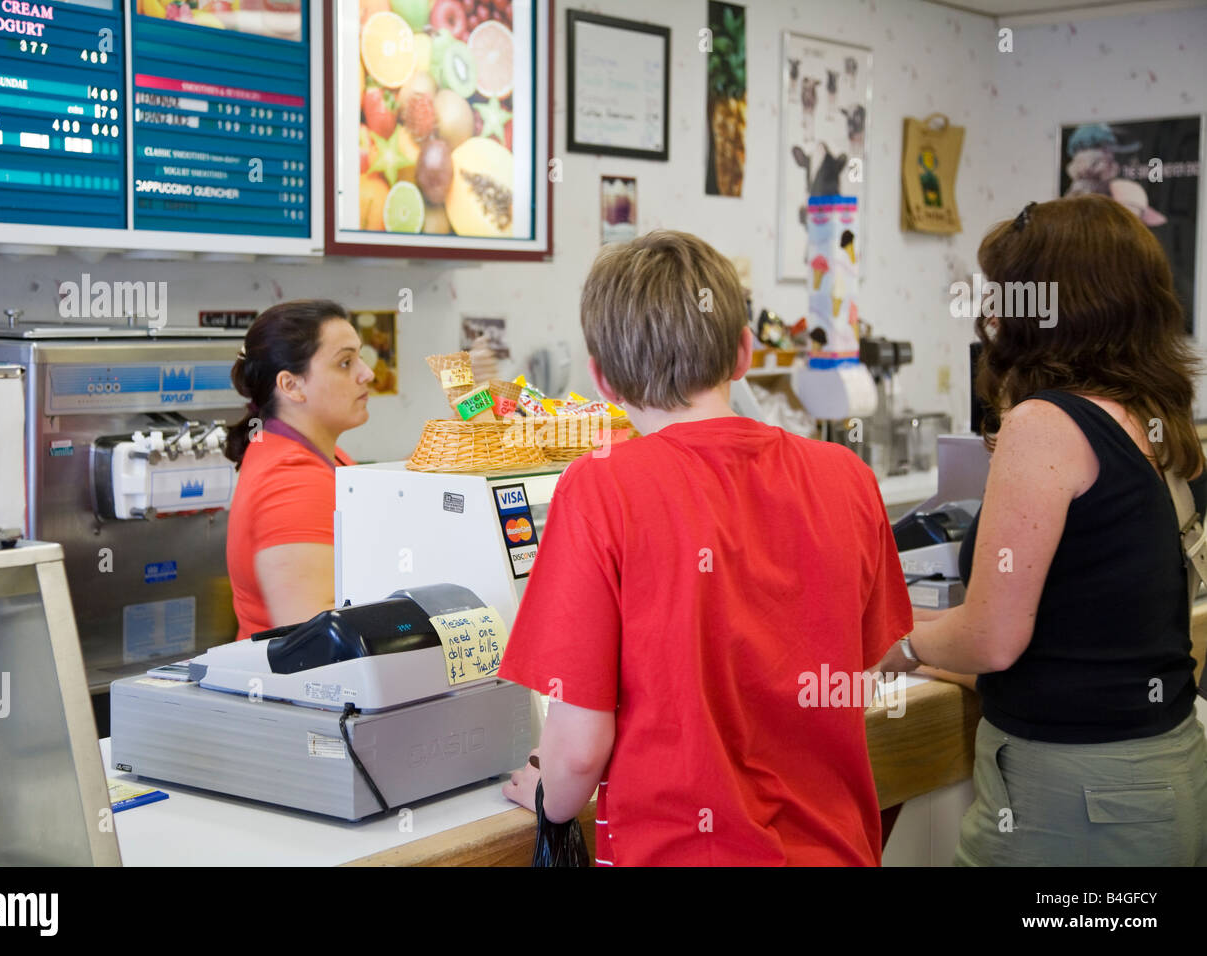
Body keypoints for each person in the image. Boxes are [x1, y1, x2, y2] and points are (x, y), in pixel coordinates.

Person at [498, 230, 913, 865]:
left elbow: (579, 746)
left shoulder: (601, 486)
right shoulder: (846, 476)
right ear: (744, 352)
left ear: (602, 380)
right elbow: (863, 674)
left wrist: (550, 799)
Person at [874, 195, 1207, 865]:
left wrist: (902, 651)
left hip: (1075, 798)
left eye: (1003, 291)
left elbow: (997, 638)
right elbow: (1082, 629)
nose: (990, 311)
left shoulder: (1046, 424)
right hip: (1156, 777)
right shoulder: (1142, 419)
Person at [224, 300, 374, 641]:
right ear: (291, 386)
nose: (367, 373)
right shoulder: (292, 482)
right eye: (346, 362)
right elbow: (314, 642)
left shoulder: (323, 454)